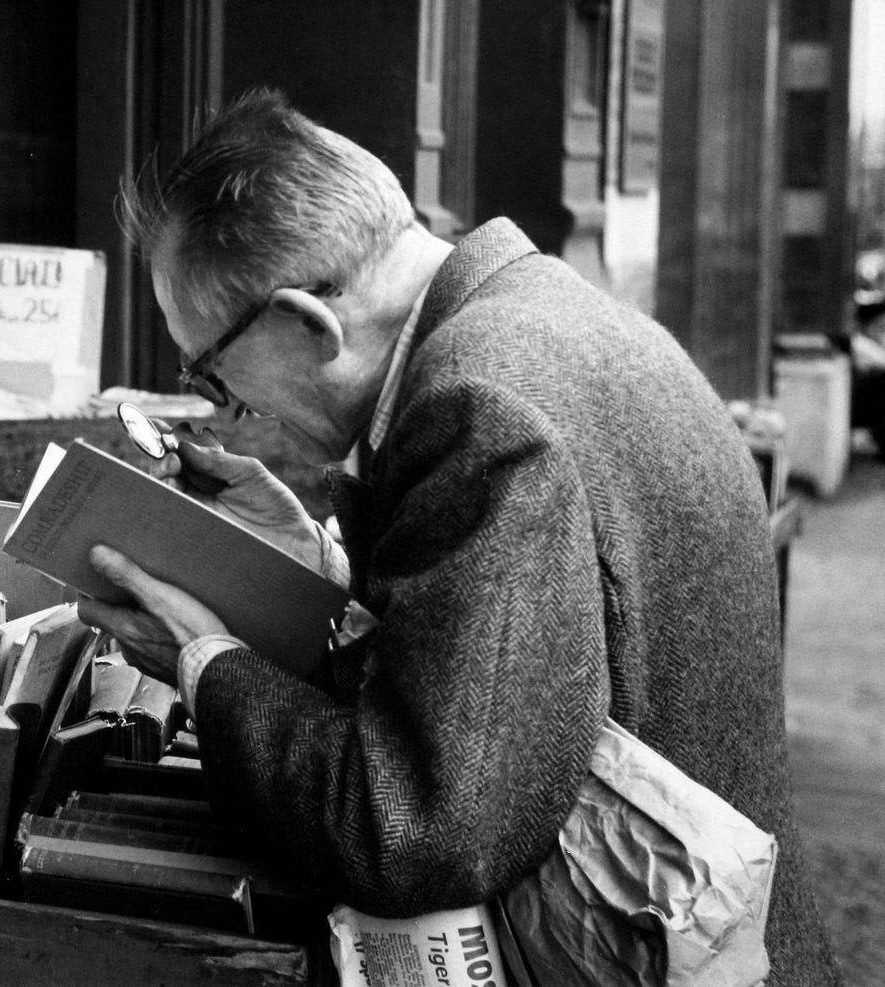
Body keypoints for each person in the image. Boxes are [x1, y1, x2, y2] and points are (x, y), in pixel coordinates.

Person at [76, 89, 841, 984]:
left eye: (212, 374)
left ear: (307, 323)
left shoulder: (481, 408)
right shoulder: (546, 317)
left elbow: (412, 828)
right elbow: (508, 674)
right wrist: (312, 571)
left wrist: (202, 663)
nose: (231, 411)